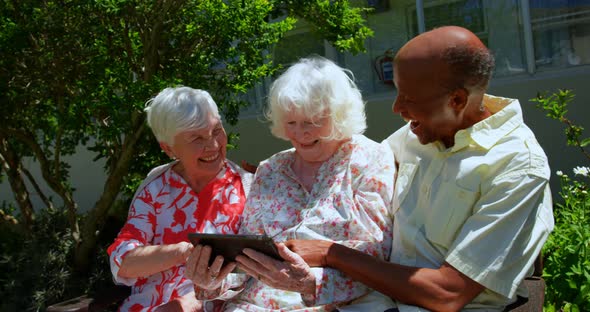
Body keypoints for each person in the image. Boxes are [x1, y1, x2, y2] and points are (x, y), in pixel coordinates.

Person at [285, 26, 555, 311]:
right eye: (398, 92)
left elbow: (448, 293)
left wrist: (332, 254)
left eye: (409, 99)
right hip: (372, 301)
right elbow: (353, 164)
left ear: (457, 100)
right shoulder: (421, 131)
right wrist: (274, 172)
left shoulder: (517, 168)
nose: (396, 108)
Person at [184, 56, 396, 311]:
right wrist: (212, 279)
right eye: (291, 123)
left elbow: (376, 254)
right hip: (254, 305)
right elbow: (246, 261)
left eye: (312, 121)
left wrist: (309, 284)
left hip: (335, 305)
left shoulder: (369, 159)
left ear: (340, 115)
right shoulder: (270, 169)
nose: (300, 133)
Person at [107, 87, 253, 311]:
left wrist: (191, 303)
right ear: (168, 148)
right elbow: (124, 261)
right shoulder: (155, 188)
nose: (213, 145)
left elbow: (253, 270)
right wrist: (183, 253)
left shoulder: (246, 188)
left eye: (216, 131)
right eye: (196, 138)